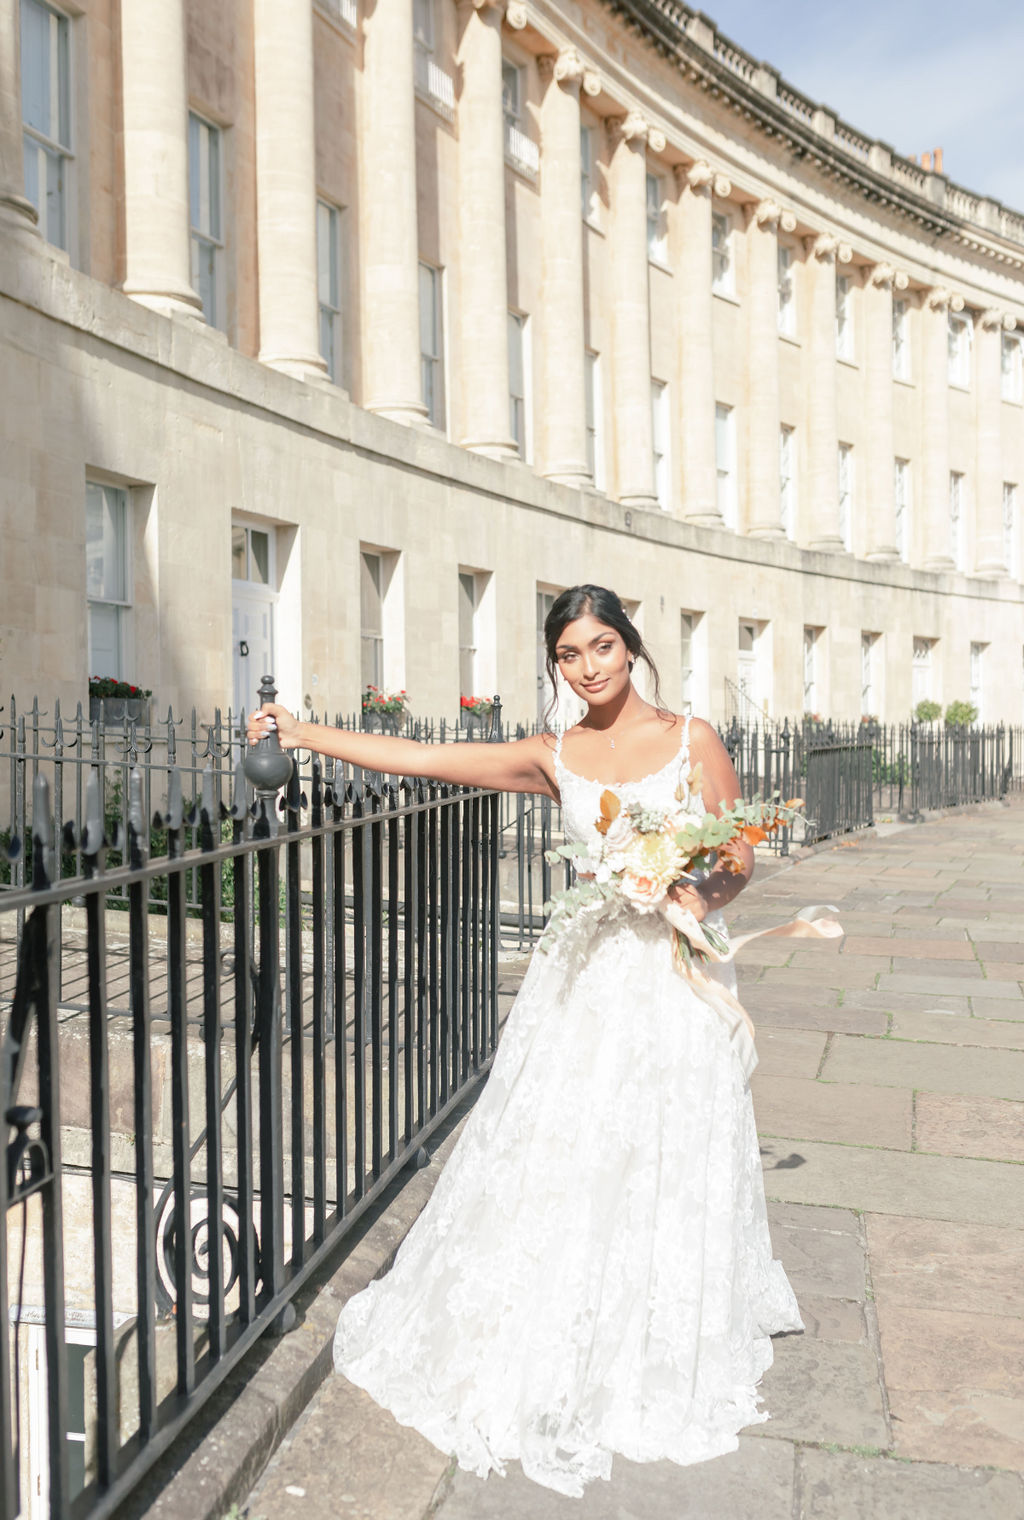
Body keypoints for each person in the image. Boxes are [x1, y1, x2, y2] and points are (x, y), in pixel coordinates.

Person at [246, 583, 803, 1498]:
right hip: (580, 980)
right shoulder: (554, 754)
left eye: (602, 649)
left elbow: (737, 853)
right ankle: (556, 1320)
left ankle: (648, 1326)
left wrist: (691, 894)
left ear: (632, 648)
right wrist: (308, 736)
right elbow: (428, 757)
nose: (588, 669)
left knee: (665, 1144)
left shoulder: (692, 737)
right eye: (570, 656)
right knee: (566, 1148)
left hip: (668, 970)